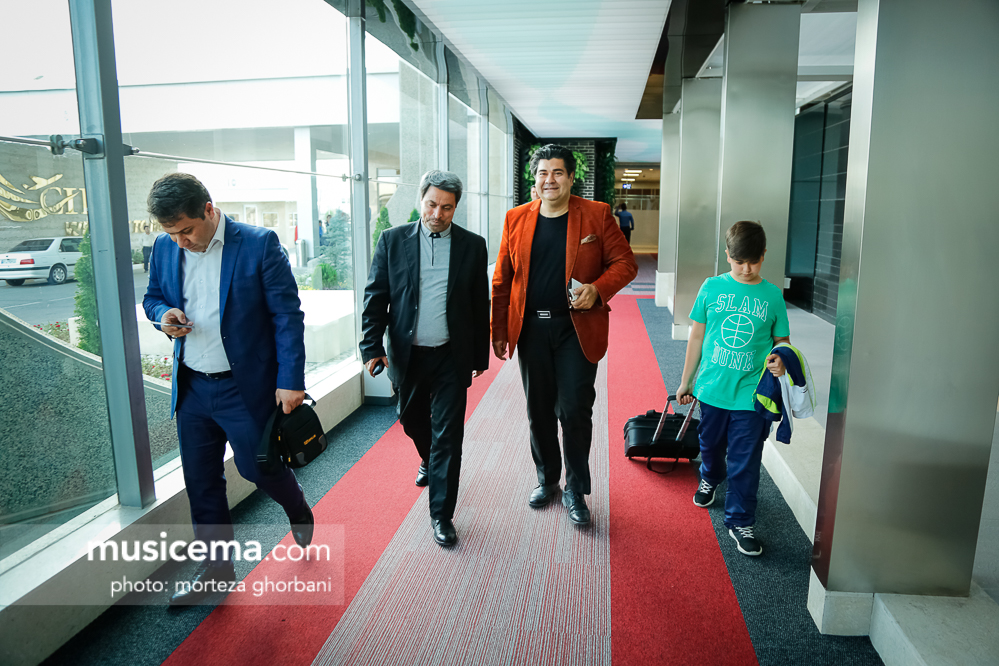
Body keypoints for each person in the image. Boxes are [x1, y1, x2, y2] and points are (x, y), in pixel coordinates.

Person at [143, 173, 314, 605]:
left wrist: (291, 380)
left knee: (258, 469)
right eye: (171, 233)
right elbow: (152, 297)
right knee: (201, 481)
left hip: (245, 387)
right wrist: (163, 315)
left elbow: (286, 316)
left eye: (186, 230)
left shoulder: (258, 243)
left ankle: (296, 504)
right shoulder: (165, 247)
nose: (180, 241)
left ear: (208, 209)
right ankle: (216, 571)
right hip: (193, 387)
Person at [492, 144, 637, 526]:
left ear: (572, 178)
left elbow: (625, 263)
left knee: (574, 410)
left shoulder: (596, 214)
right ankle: (548, 480)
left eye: (558, 172)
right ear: (534, 178)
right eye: (543, 173)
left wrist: (598, 289)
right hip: (531, 330)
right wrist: (499, 330)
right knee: (538, 411)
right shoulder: (515, 218)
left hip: (576, 328)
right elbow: (503, 279)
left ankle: (576, 488)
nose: (549, 180)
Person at [360, 170, 490, 548]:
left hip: (452, 355)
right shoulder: (392, 240)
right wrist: (371, 346)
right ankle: (428, 457)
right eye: (432, 204)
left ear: (455, 208)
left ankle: (441, 515)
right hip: (409, 354)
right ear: (421, 200)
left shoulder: (472, 245)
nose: (437, 213)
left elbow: (478, 303)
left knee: (449, 436)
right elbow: (376, 297)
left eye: (447, 207)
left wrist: (479, 355)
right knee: (411, 419)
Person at [676, 220, 789, 557]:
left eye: (753, 261)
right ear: (727, 255)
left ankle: (741, 521)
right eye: (739, 261)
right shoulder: (711, 288)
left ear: (763, 255)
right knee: (710, 445)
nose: (746, 269)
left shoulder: (772, 296)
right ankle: (711, 476)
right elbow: (697, 336)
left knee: (746, 460)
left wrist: (781, 360)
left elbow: (781, 341)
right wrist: (686, 381)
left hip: (751, 395)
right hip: (712, 388)